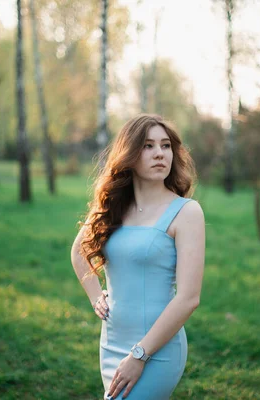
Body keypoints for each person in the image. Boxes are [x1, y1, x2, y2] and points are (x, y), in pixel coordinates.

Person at [70, 114, 205, 399]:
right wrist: (96, 295)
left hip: (156, 350)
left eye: (166, 146)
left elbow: (189, 299)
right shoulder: (113, 207)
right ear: (129, 154)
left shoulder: (187, 212)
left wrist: (140, 355)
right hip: (111, 342)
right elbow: (78, 252)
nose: (160, 153)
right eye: (148, 146)